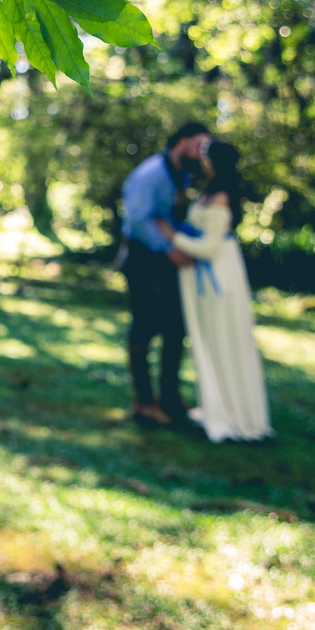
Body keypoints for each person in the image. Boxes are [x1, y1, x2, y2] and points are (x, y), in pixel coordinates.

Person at [157, 140, 273, 443]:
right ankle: (216, 406)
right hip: (204, 281)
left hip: (218, 279)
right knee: (211, 343)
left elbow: (209, 248)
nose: (200, 159)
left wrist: (171, 236)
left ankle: (234, 415)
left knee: (225, 342)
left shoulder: (221, 196)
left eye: (205, 156)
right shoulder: (210, 193)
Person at [118, 122, 211, 429]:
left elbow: (170, 218)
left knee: (175, 329)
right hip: (143, 259)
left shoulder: (180, 174)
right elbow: (139, 219)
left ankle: (169, 398)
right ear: (182, 141)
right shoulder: (152, 173)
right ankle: (144, 403)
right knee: (144, 328)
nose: (202, 153)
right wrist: (168, 249)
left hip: (166, 262)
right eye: (199, 145)